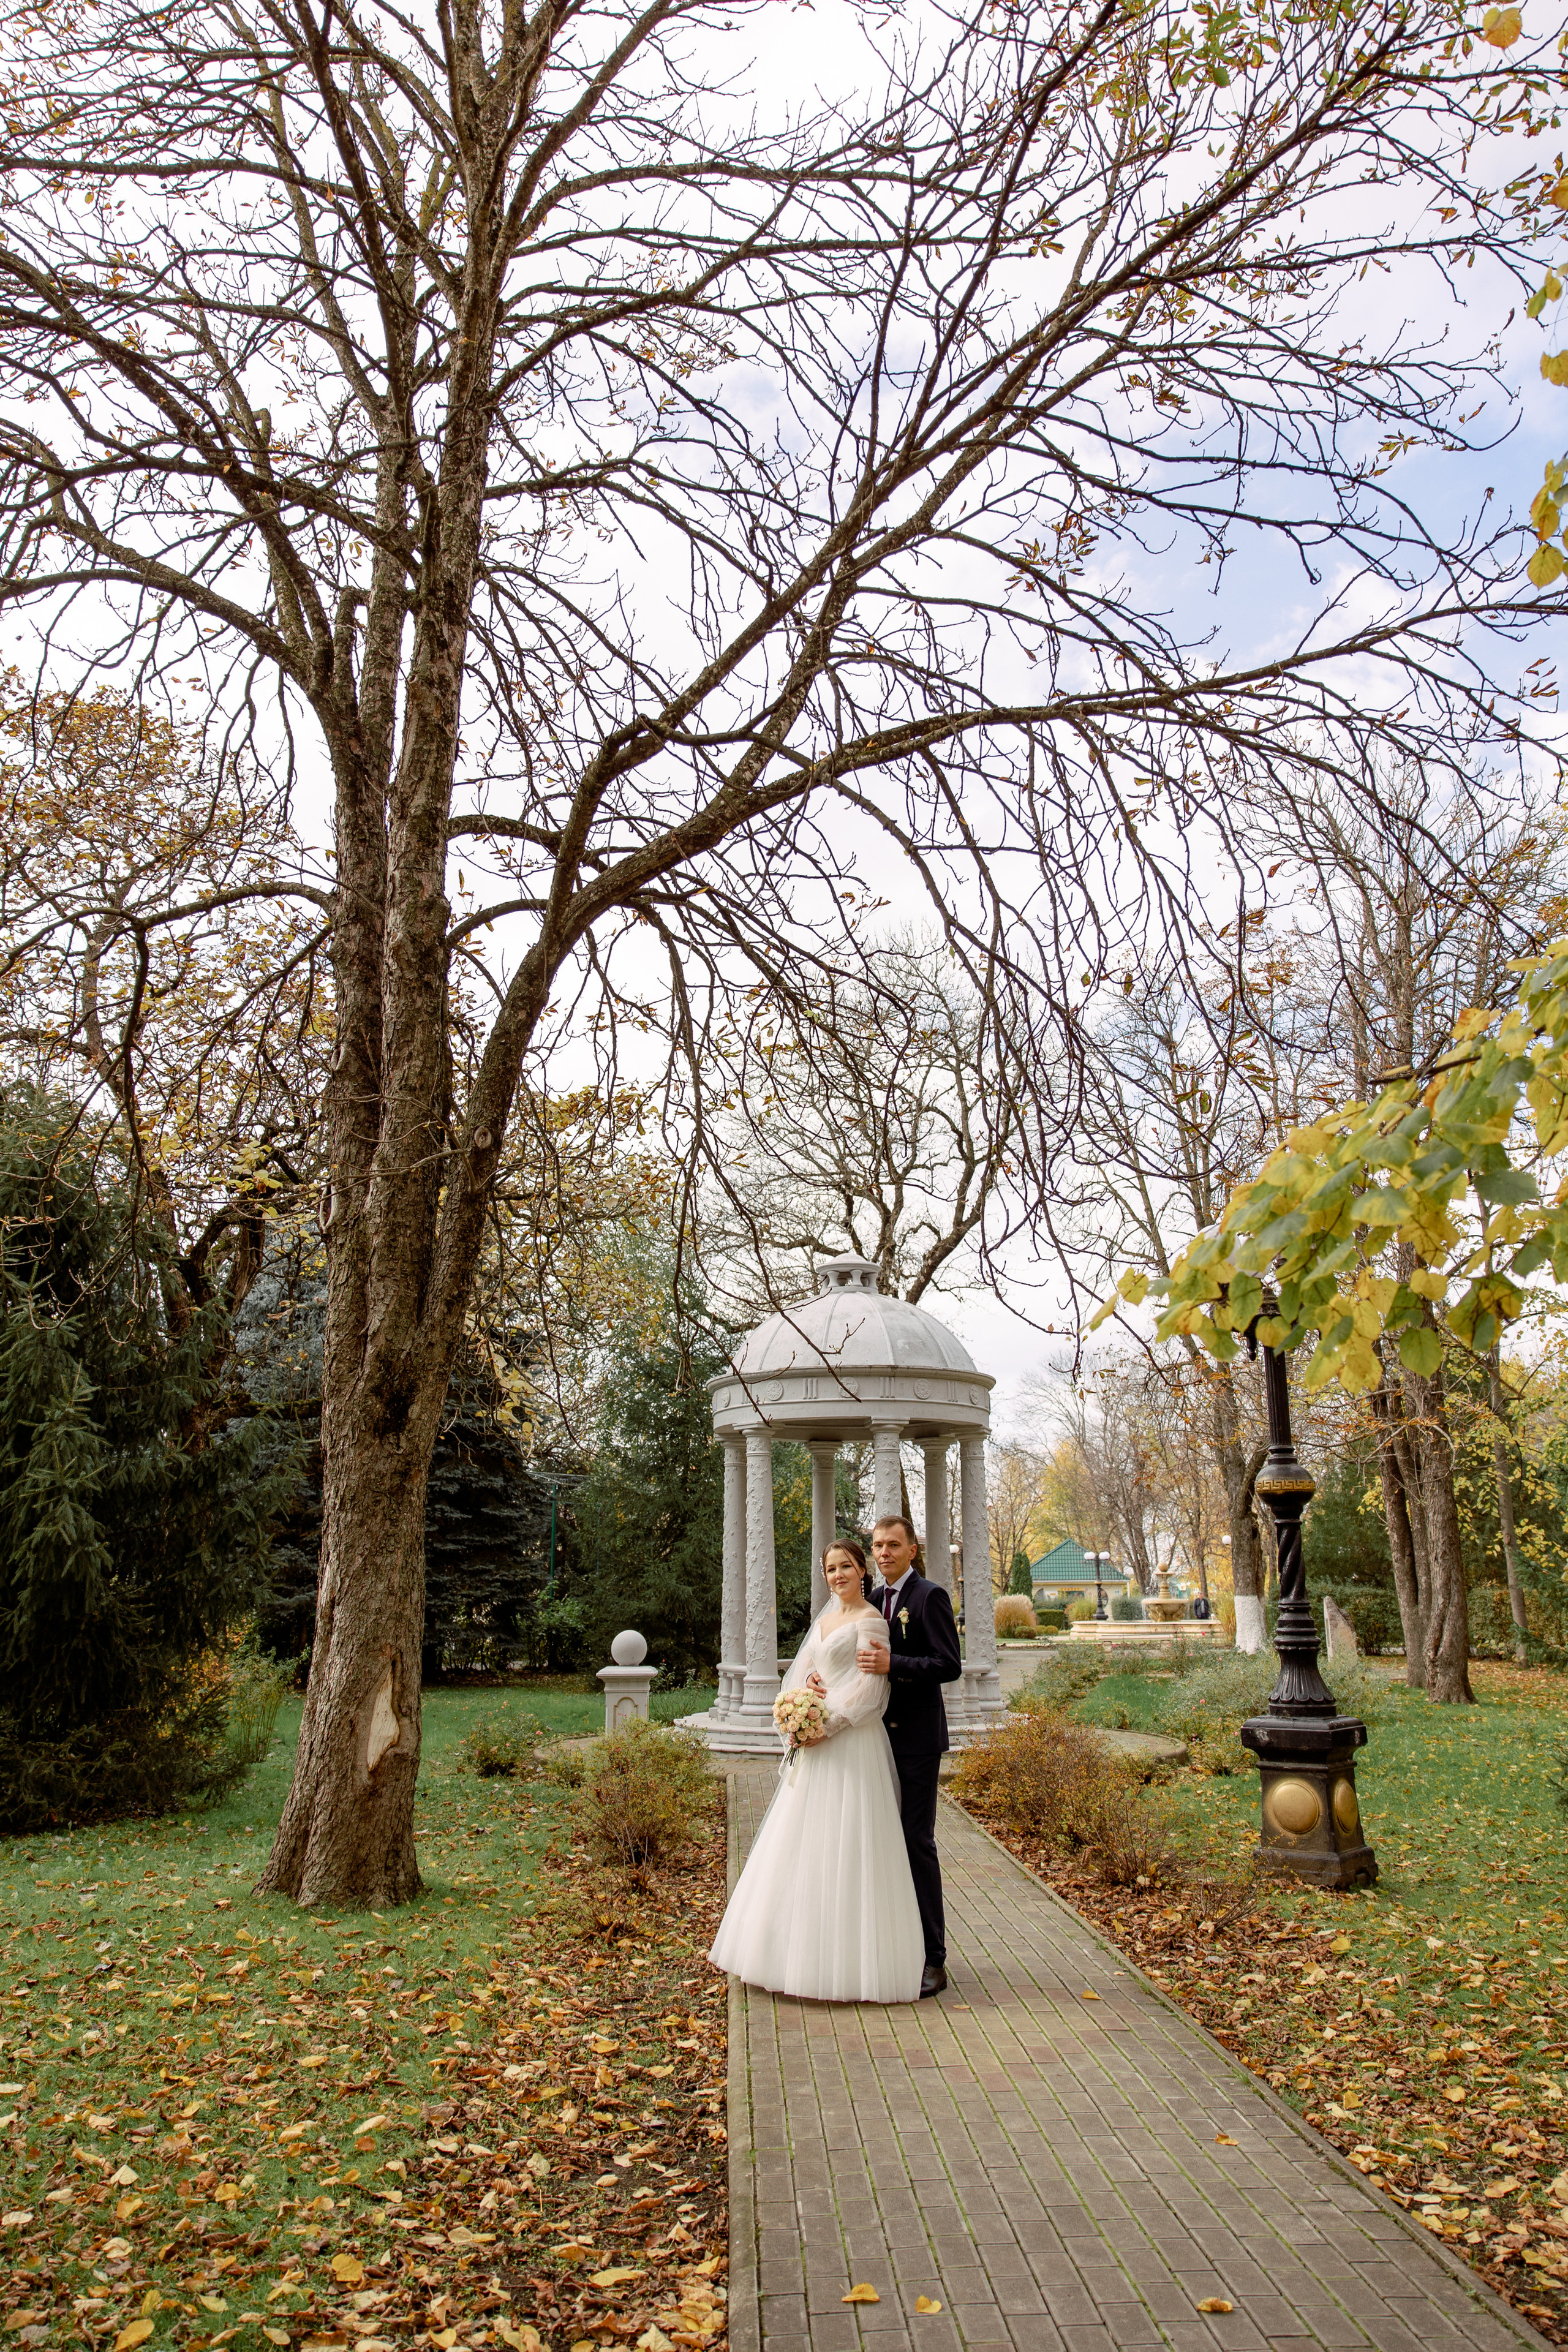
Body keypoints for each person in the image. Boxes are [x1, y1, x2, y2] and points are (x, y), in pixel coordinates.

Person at [708, 1537, 924, 2003]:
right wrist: (802, 1701)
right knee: (806, 1842)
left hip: (852, 1743)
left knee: (850, 1842)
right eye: (830, 1569)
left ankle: (852, 1964)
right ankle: (789, 1956)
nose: (838, 1575)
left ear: (862, 1569)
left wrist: (828, 1725)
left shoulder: (873, 1621)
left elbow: (872, 1693)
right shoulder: (824, 1622)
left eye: (846, 1566)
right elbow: (806, 1675)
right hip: (817, 1743)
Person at [854, 1512, 963, 1998]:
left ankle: (934, 1959)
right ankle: (895, 1947)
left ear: (912, 1549)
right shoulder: (873, 1601)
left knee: (917, 1844)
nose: (883, 1553)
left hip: (917, 1741)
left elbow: (948, 1664)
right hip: (876, 1740)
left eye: (893, 1545)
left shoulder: (929, 1596)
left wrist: (893, 1663)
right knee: (882, 1844)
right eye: (877, 1546)